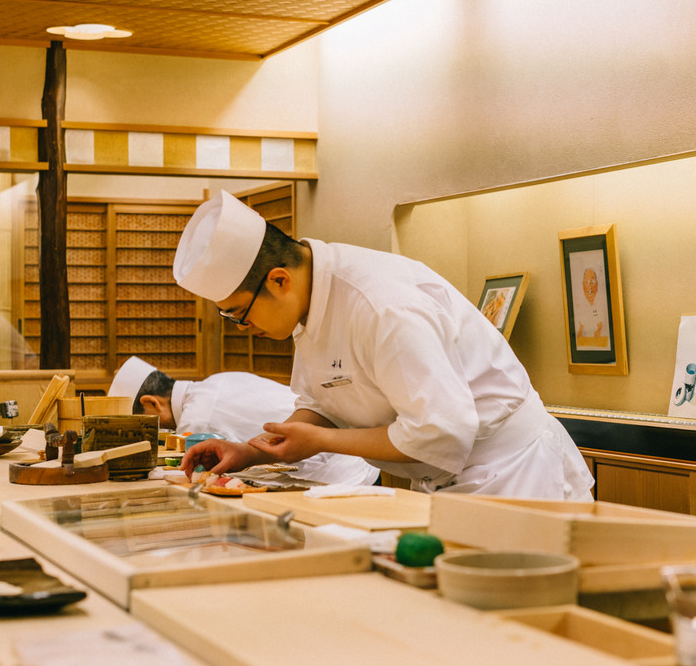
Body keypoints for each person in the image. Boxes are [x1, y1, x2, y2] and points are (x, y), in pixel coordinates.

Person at [173, 190, 595, 499]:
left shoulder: (381, 306)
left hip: (515, 476)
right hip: (446, 482)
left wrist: (320, 443)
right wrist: (250, 451)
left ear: (279, 280)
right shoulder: (310, 304)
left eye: (238, 314)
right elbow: (323, 404)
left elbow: (441, 431)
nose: (242, 327)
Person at [108, 355, 380, 486]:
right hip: (351, 457)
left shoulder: (197, 422)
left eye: (143, 423)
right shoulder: (216, 380)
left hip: (343, 473)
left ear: (151, 403)